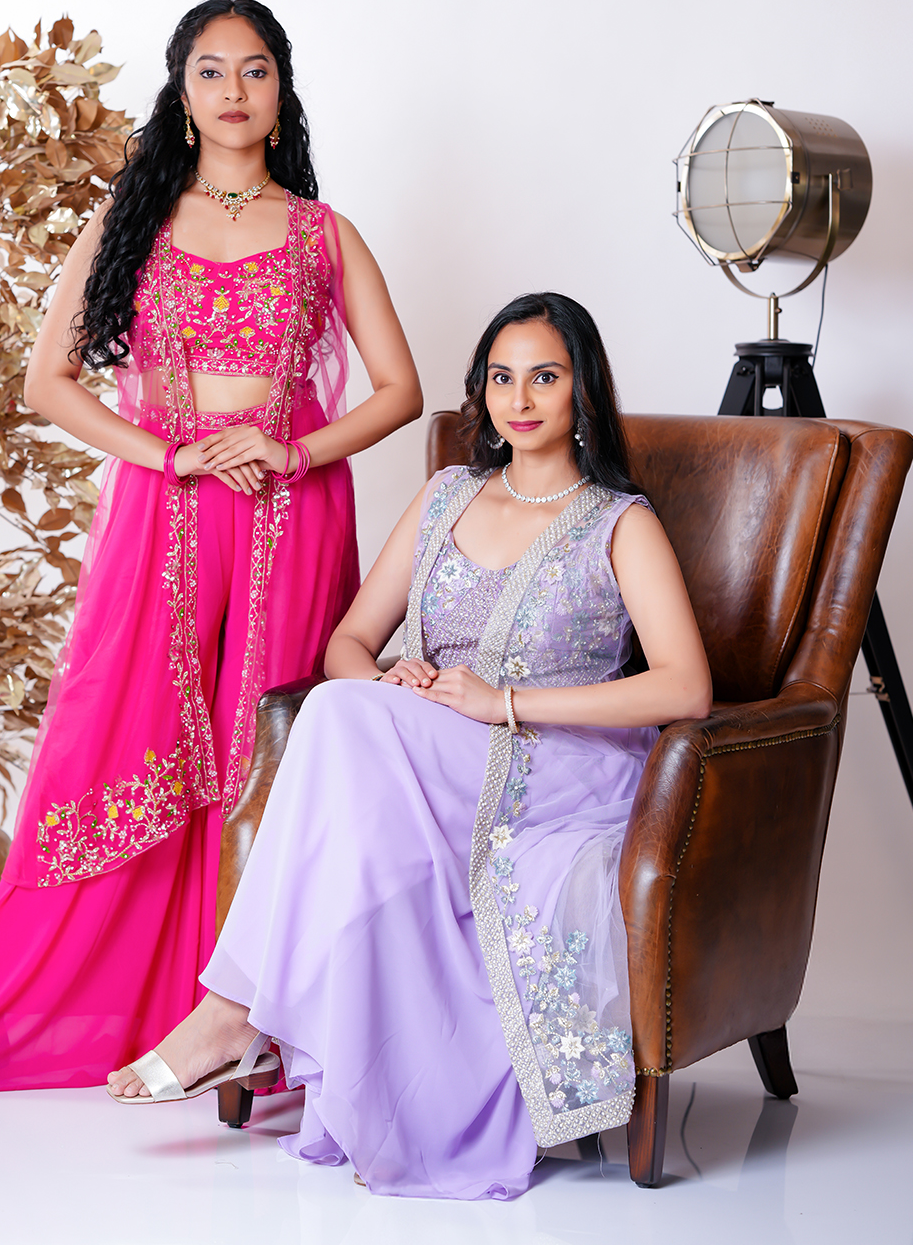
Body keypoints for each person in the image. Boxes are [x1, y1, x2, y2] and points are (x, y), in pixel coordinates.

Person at [0, 0, 421, 1099]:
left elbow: (401, 390)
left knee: (270, 757)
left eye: (256, 70)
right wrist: (173, 456)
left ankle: (251, 1023)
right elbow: (48, 381)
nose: (235, 91)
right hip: (167, 516)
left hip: (293, 514)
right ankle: (15, 1020)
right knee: (117, 740)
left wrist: (292, 450)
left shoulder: (324, 234)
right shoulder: (134, 219)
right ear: (182, 90)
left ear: (282, 90)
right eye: (212, 71)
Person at [105, 293, 712, 1201]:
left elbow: (685, 686)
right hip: (429, 742)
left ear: (583, 390)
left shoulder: (619, 522)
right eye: (501, 378)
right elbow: (350, 643)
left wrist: (503, 702)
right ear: (481, 392)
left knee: (339, 719)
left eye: (545, 377)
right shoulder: (446, 496)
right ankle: (245, 1017)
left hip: (558, 764)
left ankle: (233, 1013)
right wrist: (392, 685)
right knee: (343, 708)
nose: (520, 399)